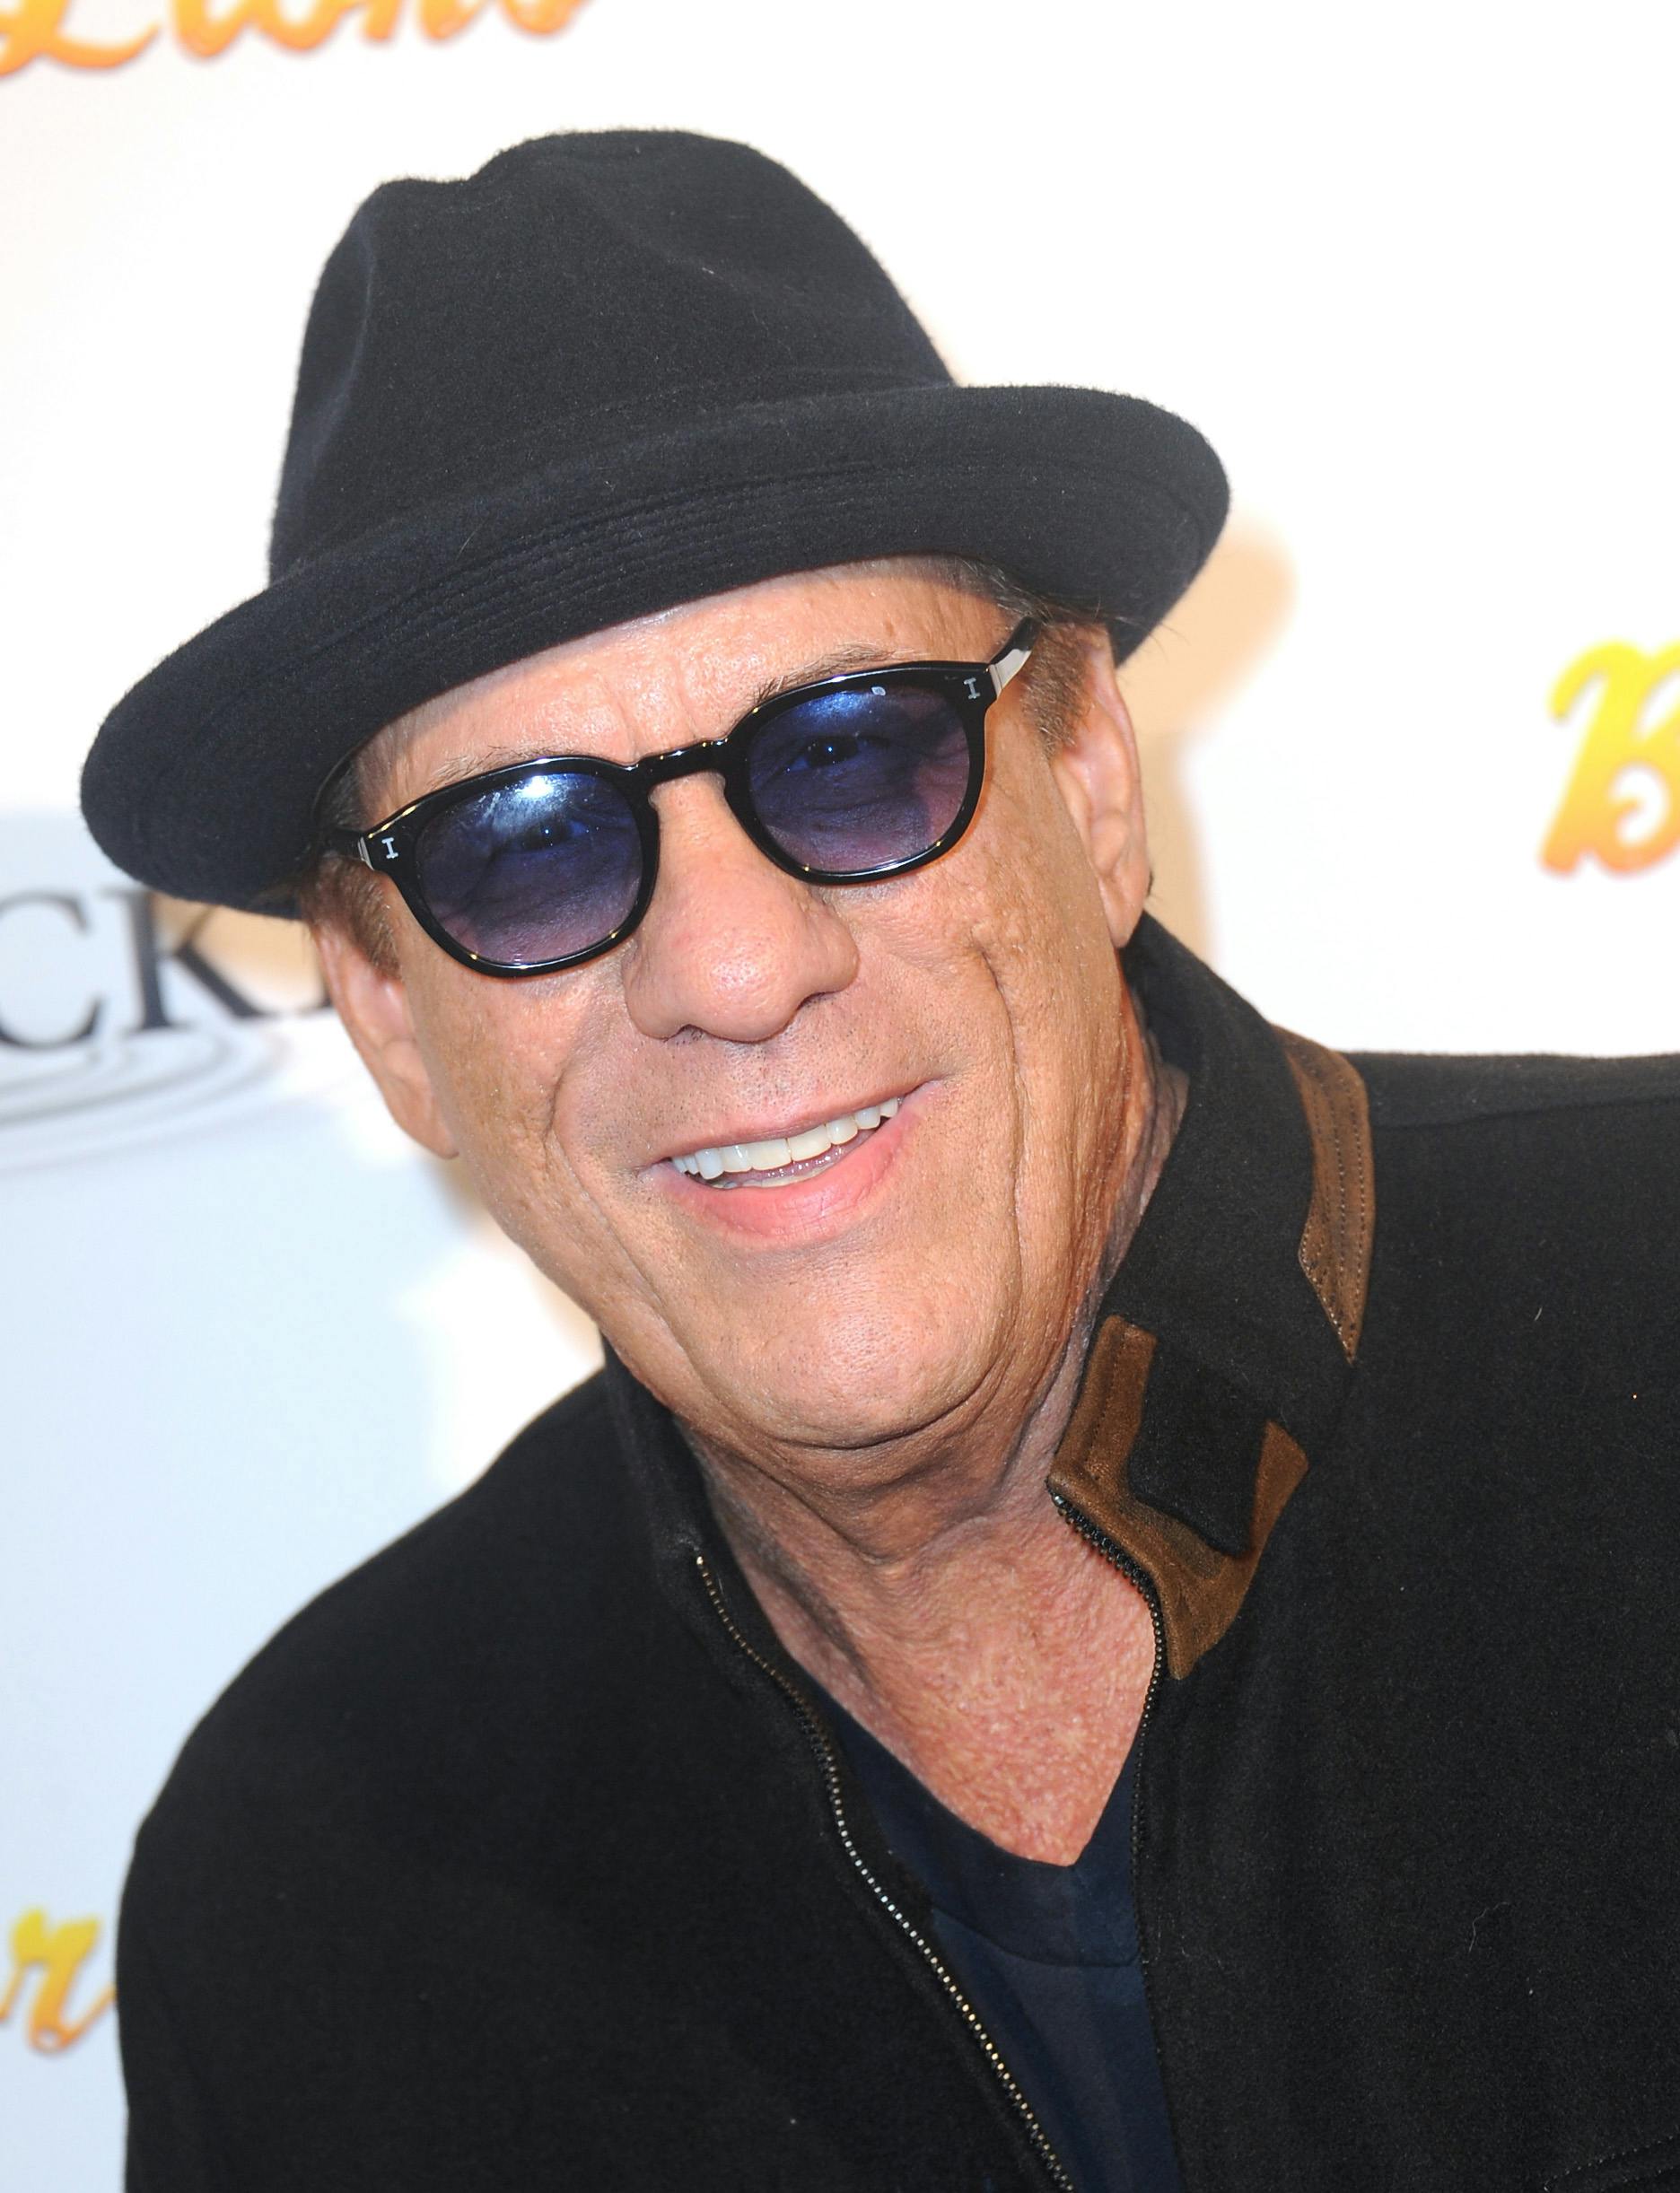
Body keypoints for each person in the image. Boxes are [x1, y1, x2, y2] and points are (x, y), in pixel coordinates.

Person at [83, 131, 1680, 2193]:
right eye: (527, 846)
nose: (735, 969)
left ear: (1089, 778)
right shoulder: (313, 1893)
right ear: (390, 1007)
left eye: (853, 751)